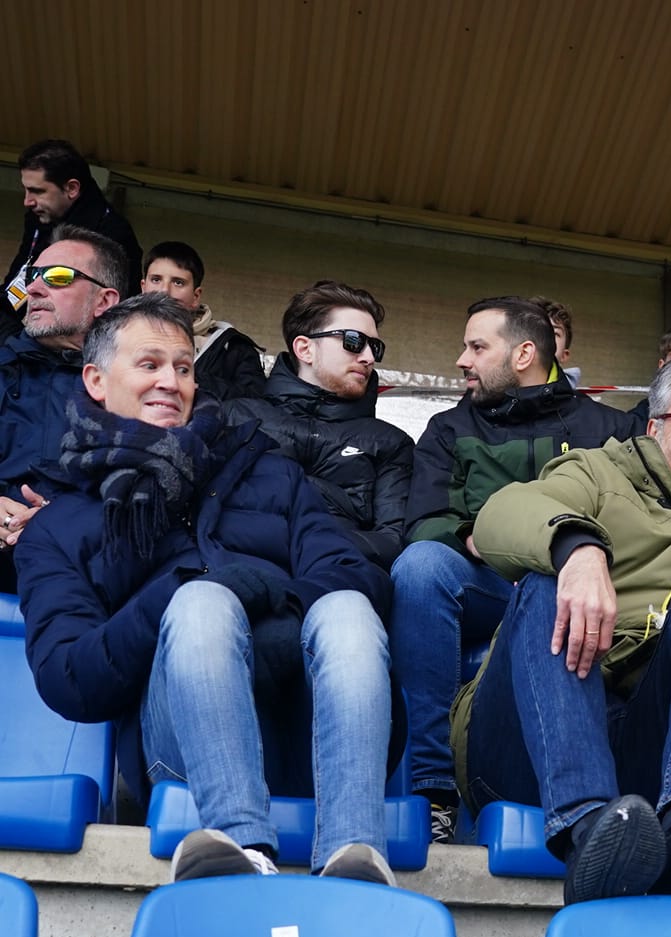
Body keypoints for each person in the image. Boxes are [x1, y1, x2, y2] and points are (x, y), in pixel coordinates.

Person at [15, 294, 394, 883]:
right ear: (95, 379)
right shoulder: (59, 524)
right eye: (149, 365)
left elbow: (354, 571)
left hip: (309, 735)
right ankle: (242, 847)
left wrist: (267, 595)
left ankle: (355, 856)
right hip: (179, 747)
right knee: (199, 600)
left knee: (346, 606)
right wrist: (179, 595)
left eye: (184, 367)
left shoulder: (266, 470)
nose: (171, 381)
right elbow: (70, 681)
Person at [456, 356, 671, 904]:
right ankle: (587, 832)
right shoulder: (599, 471)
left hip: (643, 752)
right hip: (529, 744)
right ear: (655, 425)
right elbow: (501, 513)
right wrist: (578, 550)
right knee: (544, 583)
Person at [391, 296, 638, 841]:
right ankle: (433, 789)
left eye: (477, 347)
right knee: (420, 566)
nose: (461, 359)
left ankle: (600, 809)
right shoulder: (448, 428)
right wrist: (475, 539)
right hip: (486, 589)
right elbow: (425, 522)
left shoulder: (612, 426)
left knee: (554, 584)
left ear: (525, 353)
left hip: (581, 586)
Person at [224, 281, 413, 567]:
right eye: (353, 341)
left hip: (339, 578)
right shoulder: (233, 417)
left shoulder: (391, 443)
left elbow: (392, 542)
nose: (369, 357)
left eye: (375, 346)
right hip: (236, 569)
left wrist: (309, 542)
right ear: (305, 349)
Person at [0, 226, 125, 589]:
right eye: (32, 277)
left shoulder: (134, 389)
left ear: (104, 301)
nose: (34, 289)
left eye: (57, 277)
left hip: (86, 582)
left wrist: (67, 520)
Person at [5, 140, 141, 334]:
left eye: (38, 191)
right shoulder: (40, 216)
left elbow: (116, 318)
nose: (27, 201)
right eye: (26, 190)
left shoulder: (115, 235)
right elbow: (18, 276)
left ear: (72, 189)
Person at [140, 241, 267, 400]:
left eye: (178, 282)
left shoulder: (234, 349)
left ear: (196, 296)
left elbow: (257, 406)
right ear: (143, 288)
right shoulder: (114, 335)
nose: (165, 290)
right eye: (156, 280)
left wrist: (193, 379)